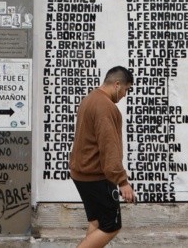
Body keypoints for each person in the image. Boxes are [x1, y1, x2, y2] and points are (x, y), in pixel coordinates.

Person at [69, 66, 136, 248]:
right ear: (117, 84)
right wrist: (122, 181)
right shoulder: (105, 107)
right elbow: (109, 147)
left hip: (82, 174)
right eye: (126, 89)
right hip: (96, 176)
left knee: (97, 222)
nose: (125, 95)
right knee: (111, 226)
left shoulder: (90, 98)